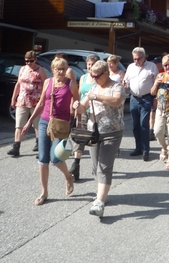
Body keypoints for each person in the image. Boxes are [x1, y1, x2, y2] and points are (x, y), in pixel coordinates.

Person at [22, 57, 80, 206]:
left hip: (61, 125)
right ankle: (44, 192)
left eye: (62, 68)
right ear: (52, 69)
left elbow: (77, 103)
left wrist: (76, 109)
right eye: (57, 68)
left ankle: (68, 176)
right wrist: (28, 122)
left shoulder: (71, 84)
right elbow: (41, 103)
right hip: (44, 122)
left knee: (55, 157)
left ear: (66, 70)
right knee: (42, 158)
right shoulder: (47, 82)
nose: (60, 71)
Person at [74, 60, 126, 217]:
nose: (93, 78)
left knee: (104, 166)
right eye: (91, 75)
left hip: (113, 132)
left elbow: (117, 101)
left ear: (106, 73)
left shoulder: (116, 86)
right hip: (95, 132)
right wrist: (77, 106)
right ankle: (102, 195)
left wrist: (96, 96)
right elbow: (84, 107)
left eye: (96, 76)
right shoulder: (94, 87)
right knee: (96, 166)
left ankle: (99, 202)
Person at [7, 50, 48, 157]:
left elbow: (46, 84)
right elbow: (18, 84)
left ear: (35, 60)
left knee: (37, 125)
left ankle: (39, 145)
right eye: (27, 61)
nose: (29, 63)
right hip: (22, 100)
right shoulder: (22, 69)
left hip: (36, 101)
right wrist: (13, 98)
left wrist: (44, 98)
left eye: (31, 61)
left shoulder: (40, 70)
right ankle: (16, 147)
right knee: (19, 125)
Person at [69, 53, 100, 181]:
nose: (90, 67)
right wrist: (76, 109)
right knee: (80, 138)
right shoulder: (83, 77)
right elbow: (78, 94)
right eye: (88, 64)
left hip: (95, 113)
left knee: (95, 141)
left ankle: (97, 169)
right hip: (82, 110)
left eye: (93, 65)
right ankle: (76, 164)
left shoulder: (100, 79)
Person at [123, 47, 158, 161]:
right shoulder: (130, 67)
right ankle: (138, 148)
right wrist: (125, 86)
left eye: (138, 59)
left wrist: (155, 98)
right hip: (134, 98)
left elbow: (156, 83)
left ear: (144, 57)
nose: (136, 61)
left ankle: (145, 150)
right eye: (134, 59)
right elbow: (126, 81)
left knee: (144, 124)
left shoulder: (151, 66)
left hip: (147, 98)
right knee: (135, 125)